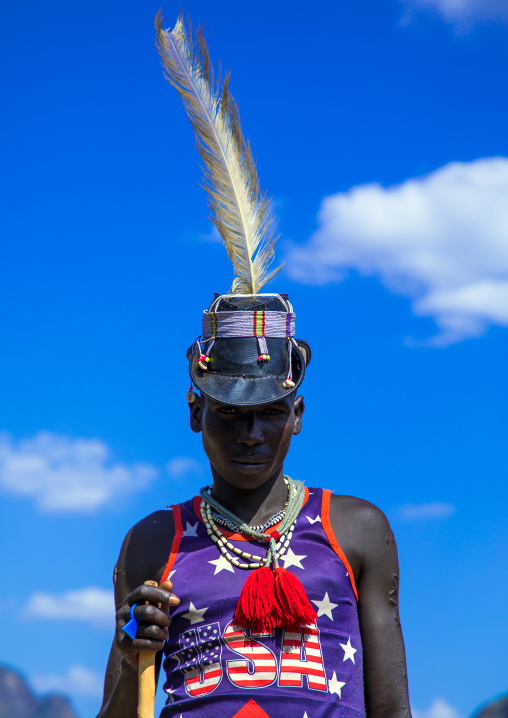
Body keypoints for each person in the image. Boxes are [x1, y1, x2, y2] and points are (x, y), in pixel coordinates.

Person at [97, 14, 412, 718]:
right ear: (193, 413)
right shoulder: (154, 542)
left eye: (269, 414)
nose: (250, 435)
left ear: (297, 416)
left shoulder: (355, 530)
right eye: (229, 416)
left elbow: (393, 711)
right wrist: (130, 655)